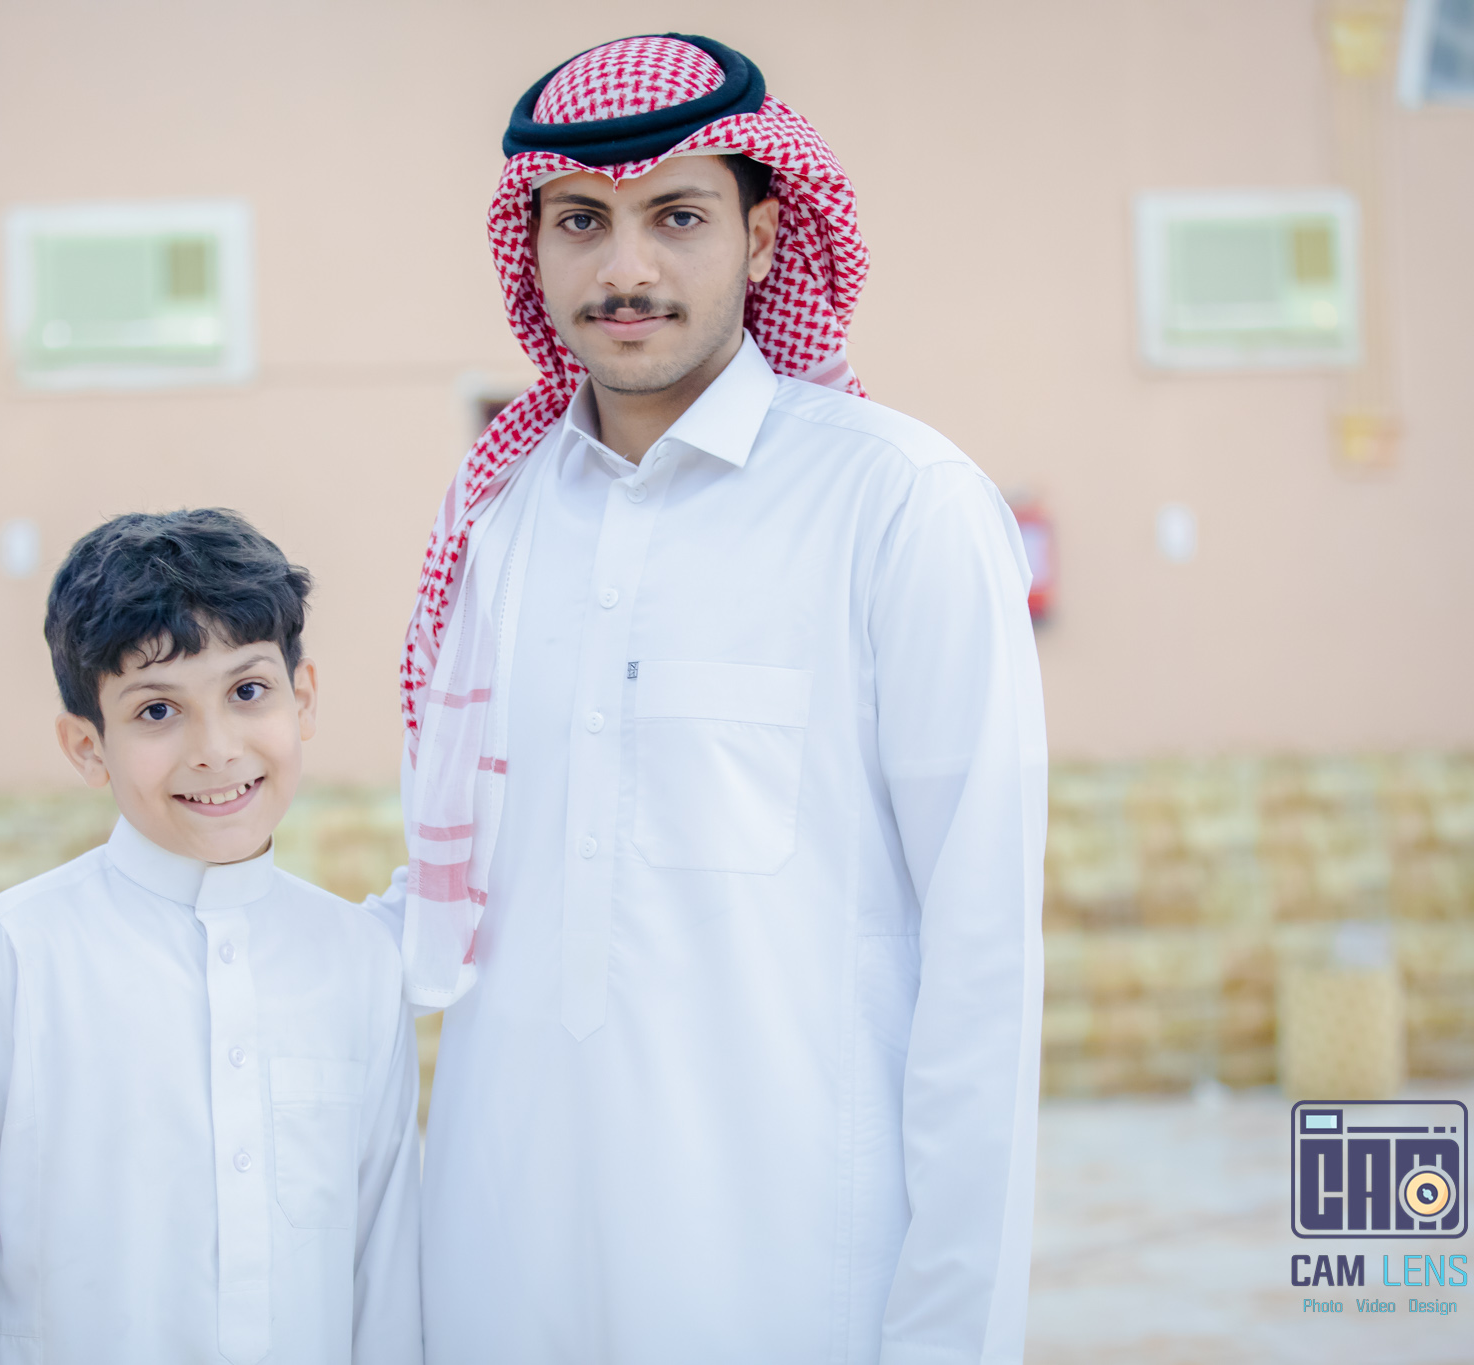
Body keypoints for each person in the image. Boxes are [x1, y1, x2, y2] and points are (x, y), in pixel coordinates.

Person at [373, 33, 1047, 1365]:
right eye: (581, 221)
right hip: (502, 1269)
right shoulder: (495, 523)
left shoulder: (897, 506)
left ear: (764, 236)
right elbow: (454, 896)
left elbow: (983, 968)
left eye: (676, 216)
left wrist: (947, 1336)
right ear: (532, 248)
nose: (624, 269)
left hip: (792, 1278)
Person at [0, 510, 422, 1365]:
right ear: (87, 746)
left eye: (247, 692)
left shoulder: (358, 963)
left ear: (303, 699)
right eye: (158, 709)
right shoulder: (9, 959)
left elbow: (385, 1274)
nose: (216, 749)